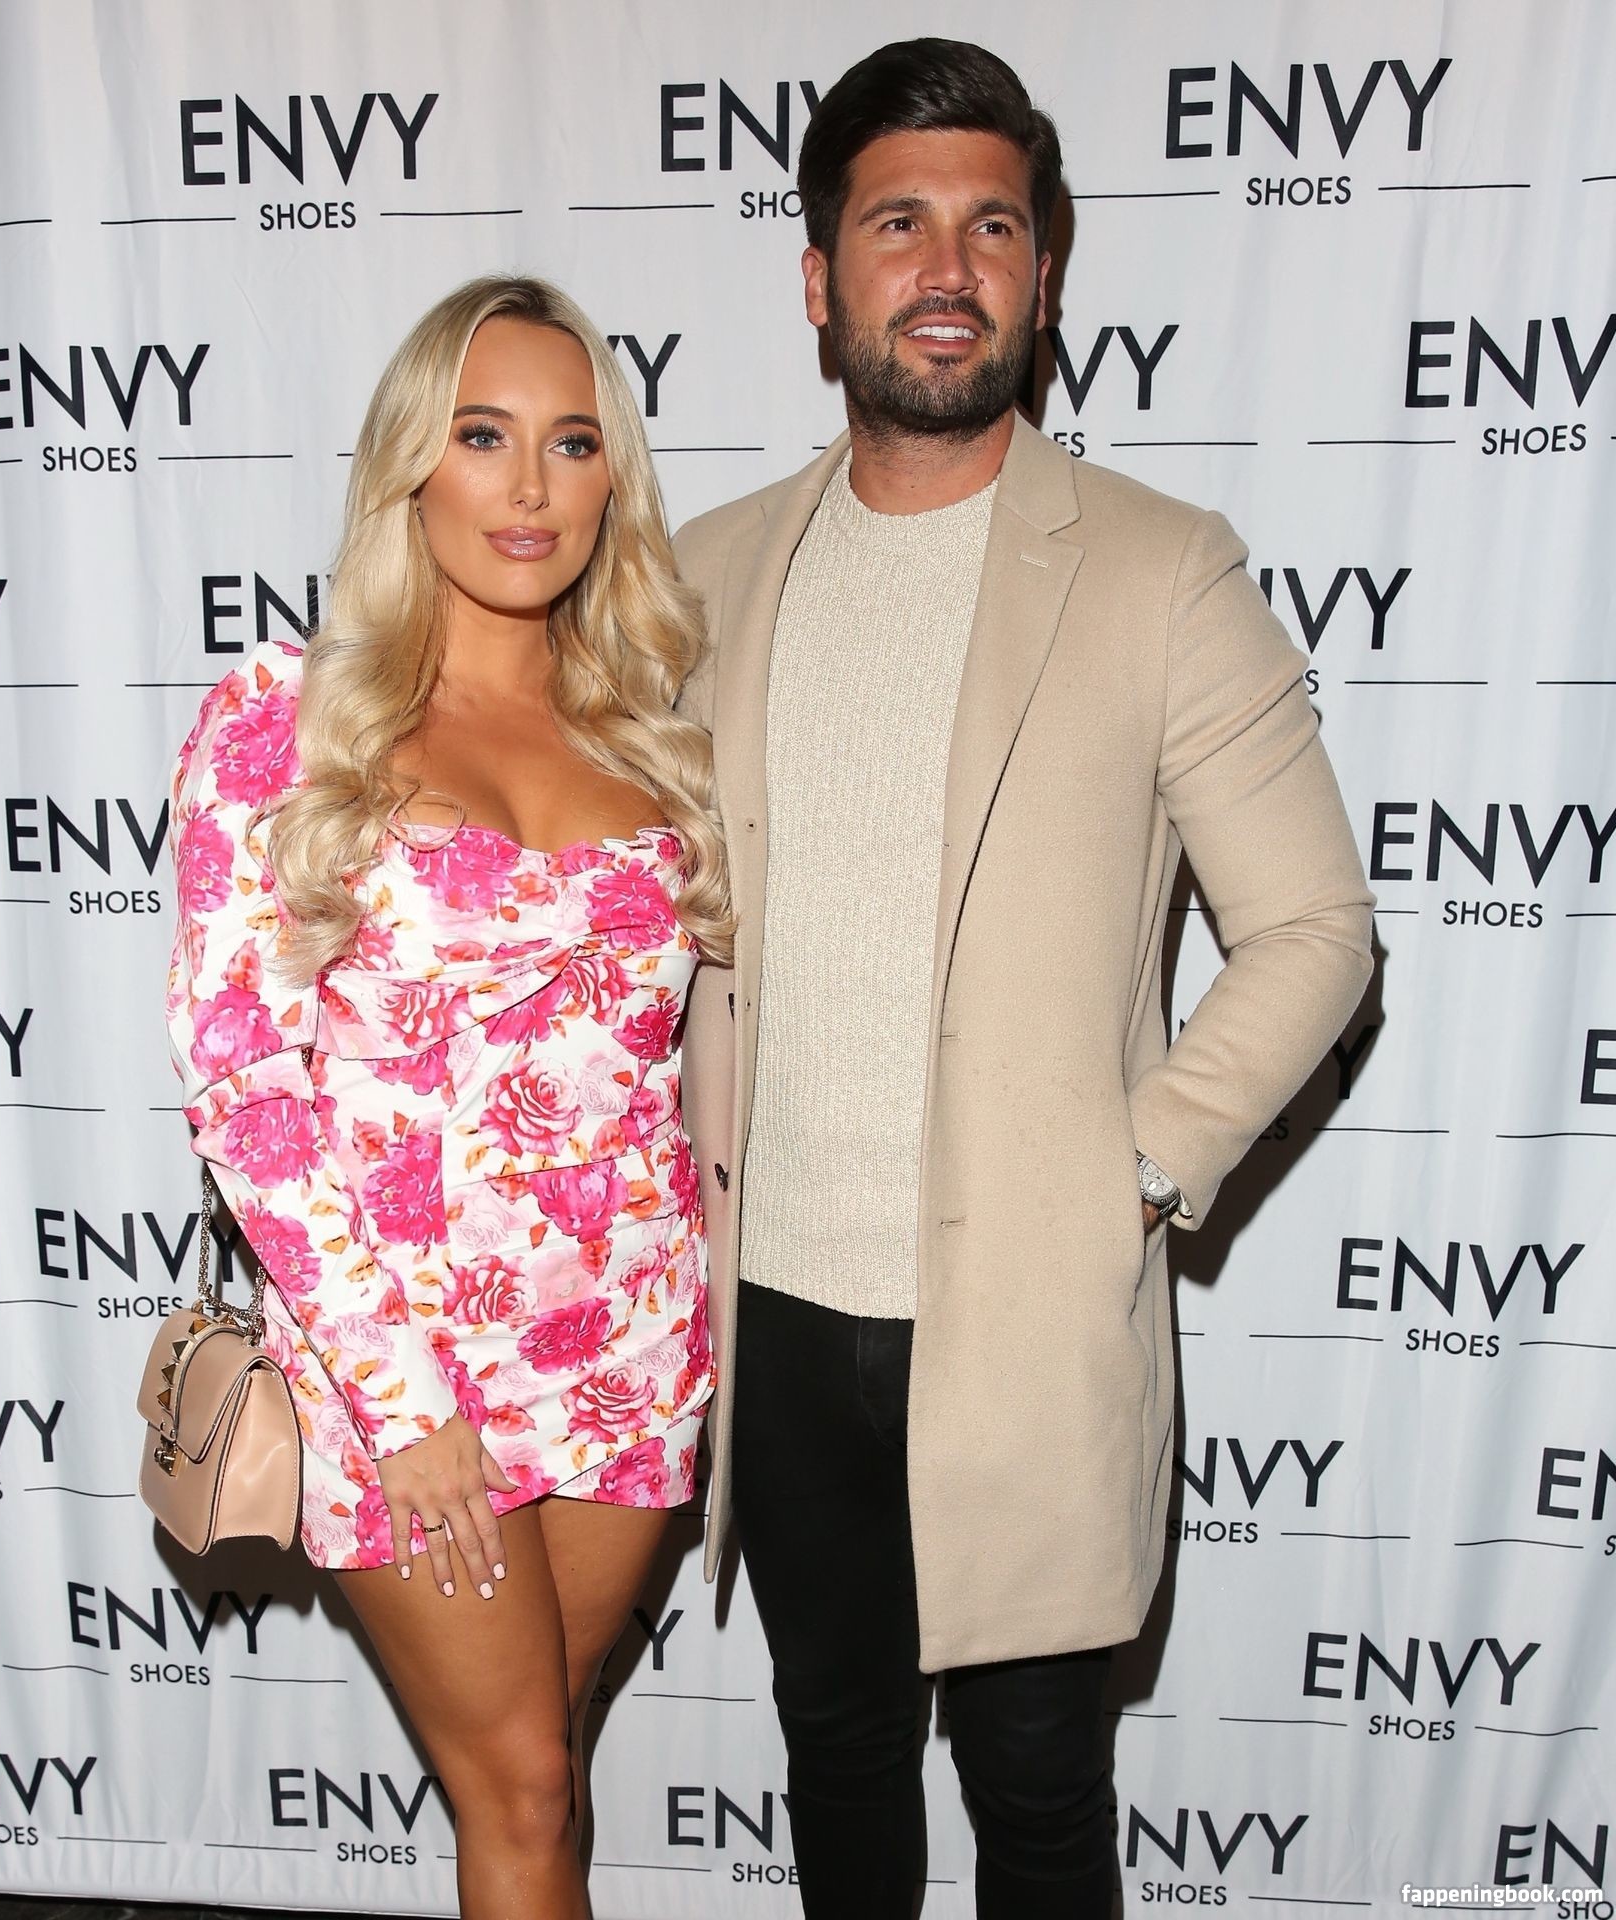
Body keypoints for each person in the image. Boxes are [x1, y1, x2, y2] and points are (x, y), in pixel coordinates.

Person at [673, 37, 1375, 1918]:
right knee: (836, 1762)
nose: (948, 267)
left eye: (993, 226)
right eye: (898, 222)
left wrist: (1137, 1167)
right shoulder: (703, 578)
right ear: (818, 277)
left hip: (1027, 1326)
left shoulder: (1158, 570)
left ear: (1044, 275)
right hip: (775, 1311)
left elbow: (1315, 928)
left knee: (1042, 1798)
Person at [165, 275, 730, 1920]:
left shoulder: (655, 743)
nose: (531, 486)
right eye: (483, 437)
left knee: (547, 1771)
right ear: (412, 464)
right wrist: (403, 1404)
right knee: (526, 1783)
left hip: (630, 1343)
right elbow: (243, 1086)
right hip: (401, 1356)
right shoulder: (288, 720)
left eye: (573, 442)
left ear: (614, 478)